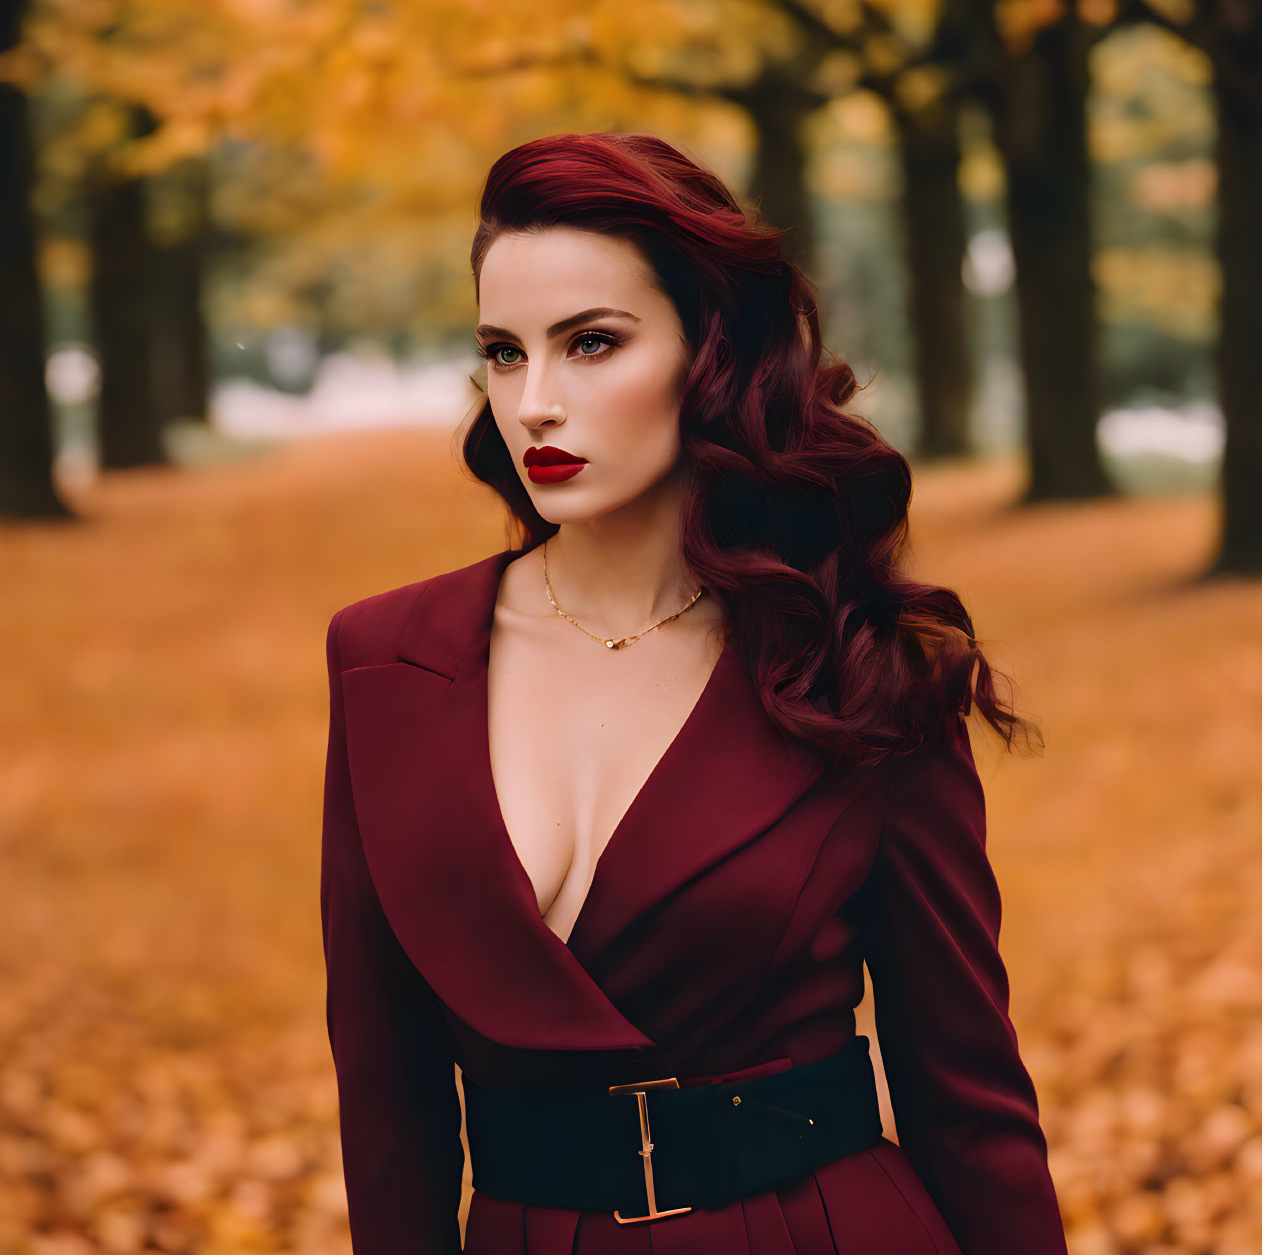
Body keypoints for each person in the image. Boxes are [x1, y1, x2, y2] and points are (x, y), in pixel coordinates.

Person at [320, 132, 1069, 1254]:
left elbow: (967, 1099)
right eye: (503, 352)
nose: (534, 403)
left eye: (591, 343)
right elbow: (387, 1110)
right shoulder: (387, 659)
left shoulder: (858, 662)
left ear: (710, 353)